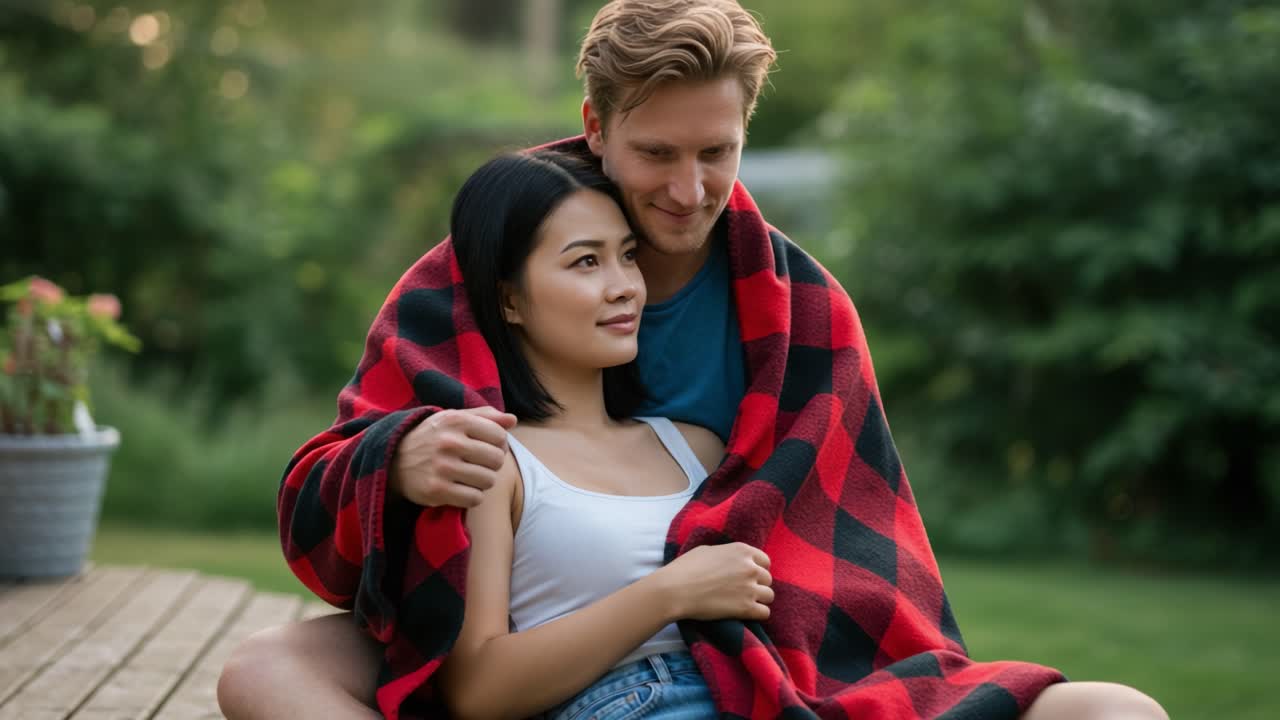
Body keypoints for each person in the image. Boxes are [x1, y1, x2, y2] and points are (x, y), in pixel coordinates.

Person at [219, 2, 1169, 719]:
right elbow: (324, 491)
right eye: (657, 152)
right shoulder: (473, 273)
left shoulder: (803, 314)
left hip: (760, 643)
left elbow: (845, 537)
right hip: (503, 614)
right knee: (266, 669)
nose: (687, 189)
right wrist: (399, 458)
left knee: (1116, 711)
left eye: (718, 151)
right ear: (596, 127)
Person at [431, 149, 771, 719]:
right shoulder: (495, 461)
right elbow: (476, 687)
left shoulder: (697, 447)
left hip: (747, 694)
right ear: (509, 299)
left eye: (628, 256)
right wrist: (670, 593)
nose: (625, 288)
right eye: (586, 262)